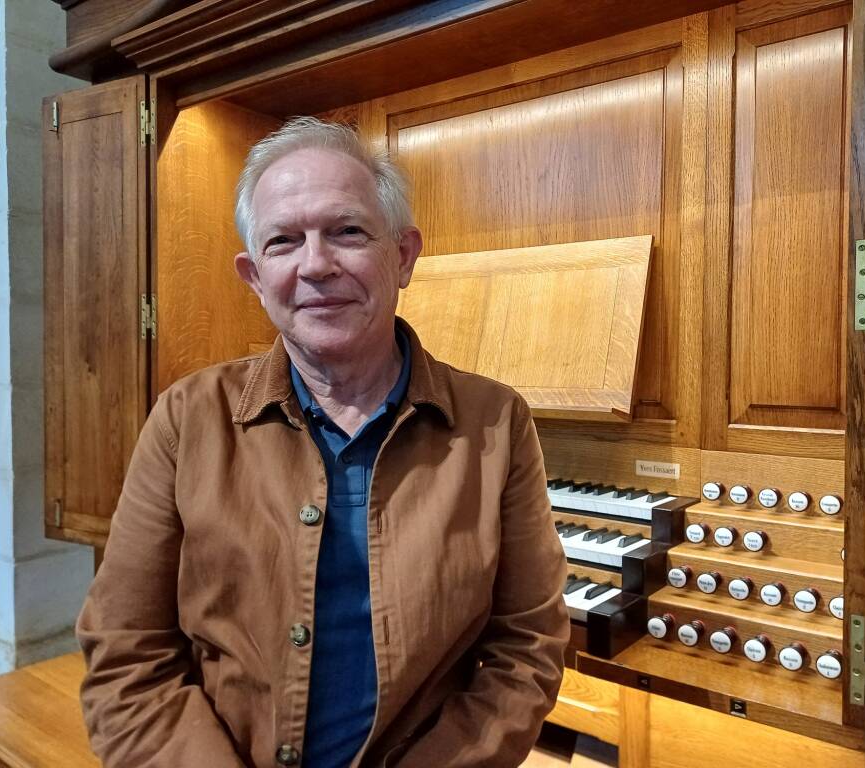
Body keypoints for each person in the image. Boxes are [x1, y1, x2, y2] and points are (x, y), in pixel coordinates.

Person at [76, 117, 569, 767]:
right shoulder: (185, 419)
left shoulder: (497, 421)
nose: (315, 264)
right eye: (284, 241)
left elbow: (526, 649)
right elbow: (127, 653)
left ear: (403, 256)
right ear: (255, 277)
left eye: (347, 231)